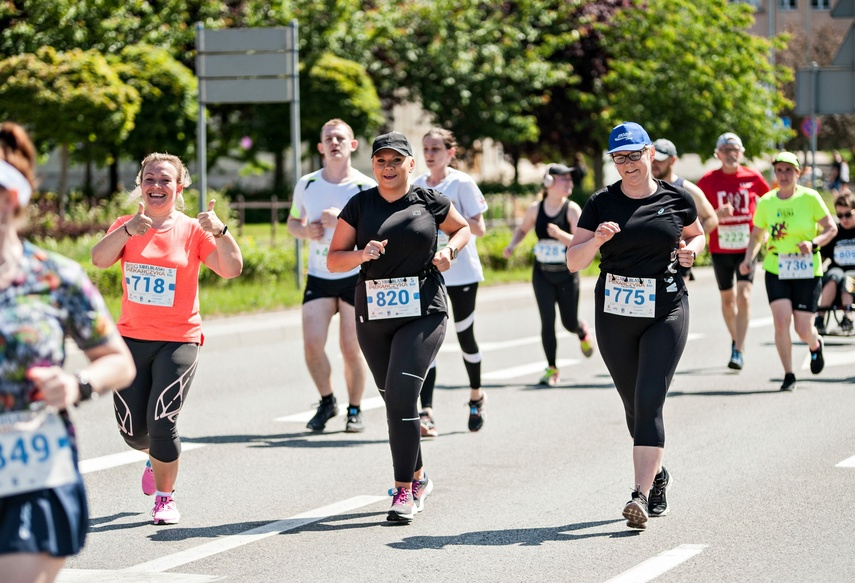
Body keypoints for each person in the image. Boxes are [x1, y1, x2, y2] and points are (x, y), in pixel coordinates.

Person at [0, 122, 136, 583]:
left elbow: (118, 361)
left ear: (14, 200)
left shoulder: (55, 277)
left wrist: (78, 384)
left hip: (30, 468)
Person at [566, 122, 705, 530]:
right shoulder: (600, 203)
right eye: (619, 157)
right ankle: (658, 475)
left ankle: (639, 496)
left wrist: (690, 252)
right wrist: (596, 242)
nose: (627, 164)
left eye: (634, 154)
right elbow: (574, 261)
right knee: (632, 405)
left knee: (648, 400)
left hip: (666, 309)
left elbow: (697, 235)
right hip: (615, 313)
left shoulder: (677, 197)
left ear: (650, 153)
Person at [92, 153, 243, 525]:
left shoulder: (193, 229)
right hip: (130, 339)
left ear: (179, 187)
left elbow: (232, 269)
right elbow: (98, 259)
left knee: (162, 422)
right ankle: (154, 455)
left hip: (179, 339)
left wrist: (220, 231)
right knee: (132, 431)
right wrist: (126, 231)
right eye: (150, 179)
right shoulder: (126, 225)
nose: (156, 187)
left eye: (165, 180)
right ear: (140, 184)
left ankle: (164, 498)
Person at [327, 132, 470, 523]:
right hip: (373, 311)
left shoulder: (429, 200)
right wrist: (362, 253)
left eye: (396, 161)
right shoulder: (359, 205)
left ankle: (403, 490)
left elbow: (463, 229)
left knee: (405, 392)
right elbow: (333, 261)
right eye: (381, 161)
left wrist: (450, 250)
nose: (388, 168)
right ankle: (420, 477)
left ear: (411, 164)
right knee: (395, 400)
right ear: (373, 165)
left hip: (424, 308)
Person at [287, 119, 376, 433]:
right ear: (320, 147)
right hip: (319, 274)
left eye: (341, 138)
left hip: (354, 275)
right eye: (329, 138)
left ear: (353, 145)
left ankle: (355, 408)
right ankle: (327, 401)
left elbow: (375, 234)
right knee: (312, 345)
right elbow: (292, 223)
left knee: (351, 348)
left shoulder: (365, 187)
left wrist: (341, 220)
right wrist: (306, 231)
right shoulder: (307, 183)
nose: (334, 142)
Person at [739, 152, 837, 392]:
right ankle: (789, 374)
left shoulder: (810, 198)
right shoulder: (767, 202)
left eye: (788, 170)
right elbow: (757, 235)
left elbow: (830, 228)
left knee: (803, 329)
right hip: (777, 267)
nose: (783, 175)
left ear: (798, 173)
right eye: (779, 170)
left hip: (807, 270)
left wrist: (813, 243)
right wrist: (748, 259)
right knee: (781, 321)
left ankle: (814, 344)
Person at [413, 128, 488, 436]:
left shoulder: (461, 183)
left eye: (436, 149)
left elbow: (479, 228)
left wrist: (448, 216)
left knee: (464, 334)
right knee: (427, 341)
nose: (430, 154)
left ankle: (476, 395)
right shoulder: (416, 184)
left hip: (463, 273)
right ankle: (426, 411)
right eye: (426, 148)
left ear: (450, 152)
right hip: (430, 272)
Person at [502, 163, 594, 386]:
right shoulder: (536, 208)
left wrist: (560, 234)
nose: (569, 184)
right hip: (542, 273)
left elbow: (583, 243)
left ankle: (581, 330)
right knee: (547, 322)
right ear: (549, 182)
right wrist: (512, 245)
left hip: (566, 274)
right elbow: (523, 228)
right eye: (564, 179)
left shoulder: (572, 210)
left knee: (568, 322)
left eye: (571, 180)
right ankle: (552, 369)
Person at [697, 132, 770, 371]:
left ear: (742, 153)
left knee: (744, 296)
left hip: (747, 247)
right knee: (728, 301)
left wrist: (766, 230)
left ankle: (738, 348)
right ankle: (736, 340)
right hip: (720, 248)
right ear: (717, 154)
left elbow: (770, 203)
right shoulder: (708, 181)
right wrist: (717, 215)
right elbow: (695, 216)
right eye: (726, 150)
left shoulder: (753, 176)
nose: (731, 154)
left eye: (735, 149)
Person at [652, 138, 718, 283]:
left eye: (660, 159)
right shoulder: (646, 189)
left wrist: (690, 243)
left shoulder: (687, 190)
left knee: (678, 302)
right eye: (652, 158)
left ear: (673, 160)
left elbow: (712, 218)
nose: (654, 163)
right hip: (653, 257)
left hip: (678, 260)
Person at [816, 191, 855, 334]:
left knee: (848, 278)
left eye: (848, 214)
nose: (844, 219)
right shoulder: (835, 232)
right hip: (837, 270)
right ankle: (820, 318)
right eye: (839, 215)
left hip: (853, 275)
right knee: (834, 275)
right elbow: (822, 257)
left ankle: (848, 318)